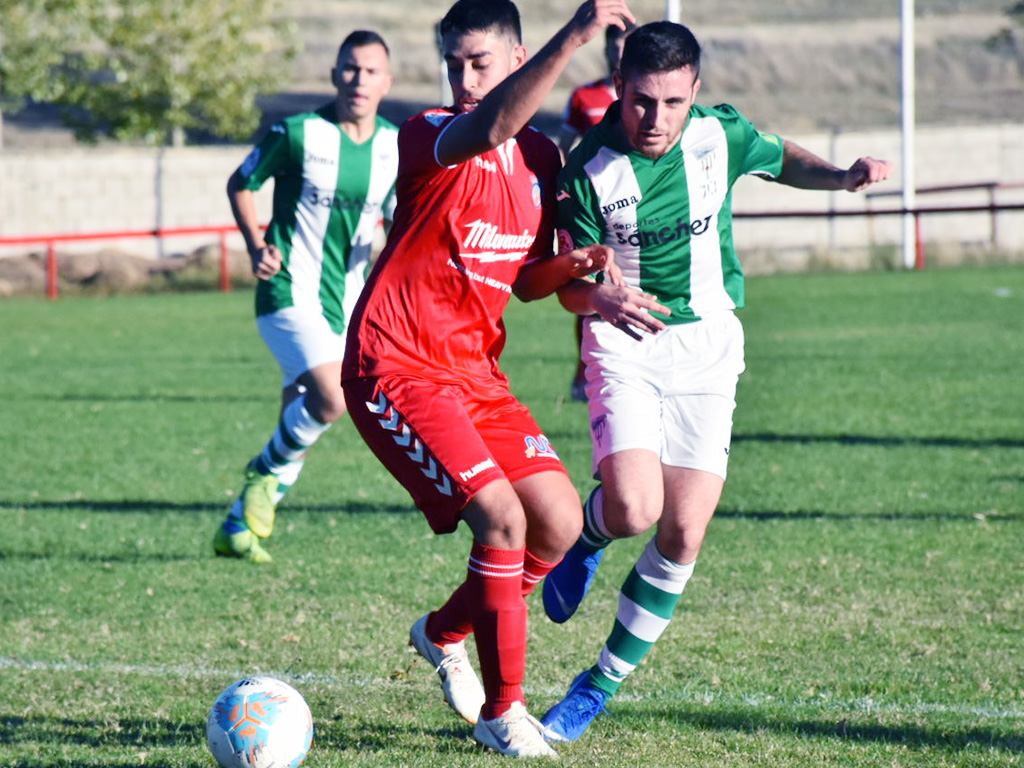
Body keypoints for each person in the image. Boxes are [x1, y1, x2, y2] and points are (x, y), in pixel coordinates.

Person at [539, 20, 893, 742]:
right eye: (641, 101)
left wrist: (838, 177)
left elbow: (775, 157)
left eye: (672, 102)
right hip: (625, 343)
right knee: (636, 508)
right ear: (621, 89)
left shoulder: (717, 134)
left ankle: (597, 685)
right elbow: (566, 285)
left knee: (684, 530)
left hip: (708, 347)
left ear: (695, 91)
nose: (655, 120)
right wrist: (595, 296)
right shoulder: (587, 170)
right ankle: (589, 538)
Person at [340, 0, 633, 757]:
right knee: (503, 520)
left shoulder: (540, 158)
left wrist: (574, 268)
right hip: (394, 365)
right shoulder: (430, 135)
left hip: (474, 372)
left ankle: (441, 634)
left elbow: (528, 283)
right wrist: (578, 35)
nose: (465, 80)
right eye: (455, 64)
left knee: (562, 523)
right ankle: (504, 714)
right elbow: (492, 124)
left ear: (514, 56)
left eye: (481, 63)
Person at [213, 31, 398, 563]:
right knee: (331, 399)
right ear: (334, 74)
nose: (358, 80)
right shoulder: (297, 133)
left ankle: (238, 528)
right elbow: (241, 182)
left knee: (299, 410)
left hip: (348, 301)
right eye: (349, 68)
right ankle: (262, 475)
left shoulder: (393, 147)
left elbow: (396, 221)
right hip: (287, 288)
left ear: (386, 82)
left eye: (369, 71)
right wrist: (254, 242)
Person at [558, 22, 634, 403]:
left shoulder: (645, 97)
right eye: (614, 47)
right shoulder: (584, 96)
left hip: (631, 209)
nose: (618, 54)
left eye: (625, 47)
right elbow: (566, 146)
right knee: (588, 287)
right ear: (605, 50)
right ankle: (584, 365)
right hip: (590, 208)